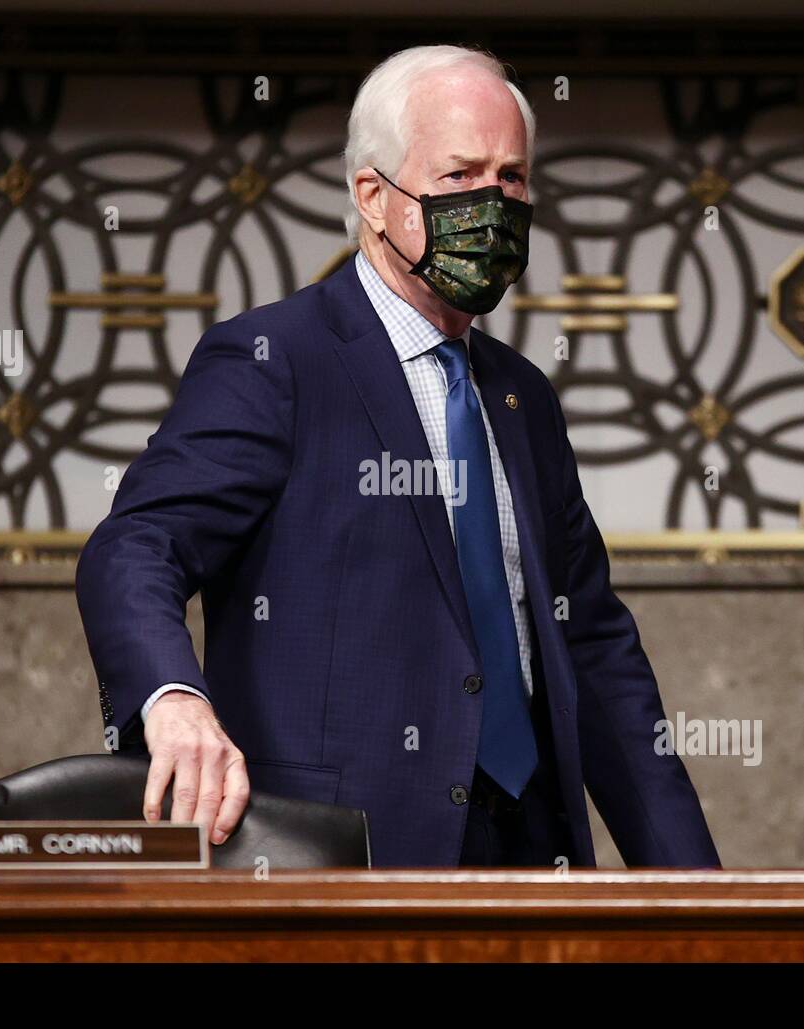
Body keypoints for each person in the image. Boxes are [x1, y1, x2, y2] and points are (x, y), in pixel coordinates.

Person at [76, 44, 720, 869]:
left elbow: (593, 648)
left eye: (512, 178)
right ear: (373, 196)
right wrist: (172, 700)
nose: (492, 203)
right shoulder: (277, 361)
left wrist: (696, 894)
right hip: (342, 858)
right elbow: (135, 546)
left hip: (533, 855)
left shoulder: (523, 399)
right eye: (459, 177)